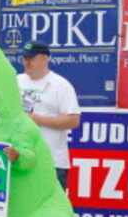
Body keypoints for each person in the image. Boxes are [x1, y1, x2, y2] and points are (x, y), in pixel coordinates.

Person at [17, 41, 81, 191]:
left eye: (31, 58)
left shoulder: (60, 85)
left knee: (51, 209)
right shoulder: (16, 81)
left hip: (52, 161)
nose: (27, 62)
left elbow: (73, 120)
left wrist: (37, 119)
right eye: (24, 58)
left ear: (45, 58)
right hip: (21, 160)